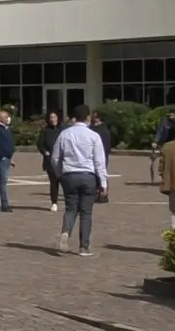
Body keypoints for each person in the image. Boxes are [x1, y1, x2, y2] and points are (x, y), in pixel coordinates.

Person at [52, 105, 108, 257]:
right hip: (88, 175)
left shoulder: (65, 134)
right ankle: (84, 246)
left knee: (70, 208)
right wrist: (103, 182)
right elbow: (99, 162)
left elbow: (55, 157)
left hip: (69, 174)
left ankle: (65, 232)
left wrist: (59, 174)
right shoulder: (93, 136)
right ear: (88, 117)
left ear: (73, 117)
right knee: (86, 212)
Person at [37, 111, 64, 212]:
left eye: (55, 117)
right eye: (51, 117)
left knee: (66, 182)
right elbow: (40, 144)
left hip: (63, 160)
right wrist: (45, 152)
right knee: (54, 182)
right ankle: (54, 202)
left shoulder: (63, 130)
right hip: (50, 161)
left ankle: (70, 201)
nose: (53, 119)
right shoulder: (45, 131)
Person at [90, 112, 113, 203]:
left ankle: (104, 194)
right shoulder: (91, 128)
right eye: (94, 117)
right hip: (92, 155)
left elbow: (107, 144)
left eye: (96, 117)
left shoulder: (103, 129)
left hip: (102, 154)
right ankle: (96, 192)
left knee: (102, 173)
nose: (95, 119)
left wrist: (105, 154)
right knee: (94, 175)